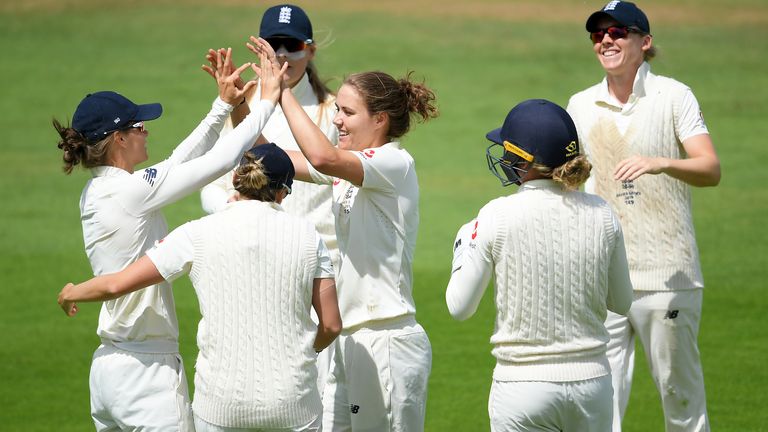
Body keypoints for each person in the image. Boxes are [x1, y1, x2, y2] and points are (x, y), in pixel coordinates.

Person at [53, 48, 285, 431]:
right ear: (118, 139)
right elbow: (223, 159)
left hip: (108, 372)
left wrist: (223, 106)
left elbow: (178, 161)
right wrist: (267, 102)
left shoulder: (102, 191)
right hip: (147, 375)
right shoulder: (130, 193)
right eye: (138, 126)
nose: (146, 131)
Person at [59, 143, 342, 432]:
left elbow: (117, 284)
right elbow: (330, 325)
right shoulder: (309, 236)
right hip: (294, 403)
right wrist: (306, 353)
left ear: (235, 180)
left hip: (219, 405)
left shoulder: (195, 233)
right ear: (282, 191)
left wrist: (72, 292)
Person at [251, 37, 438, 432]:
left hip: (387, 340)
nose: (337, 120)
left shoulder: (393, 162)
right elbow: (273, 160)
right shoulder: (351, 169)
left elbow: (321, 156)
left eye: (348, 113)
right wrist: (239, 106)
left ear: (380, 120)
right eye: (337, 109)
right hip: (351, 340)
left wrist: (283, 92)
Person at [566, 2, 721, 431]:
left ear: (644, 42)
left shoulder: (674, 96)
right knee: (601, 404)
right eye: (598, 35)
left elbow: (710, 168)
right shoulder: (580, 104)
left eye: (617, 32)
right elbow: (572, 180)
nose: (606, 41)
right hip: (604, 276)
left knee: (681, 399)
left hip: (668, 275)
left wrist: (660, 162)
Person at [446, 99, 634, 431]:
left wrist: (464, 243)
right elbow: (621, 302)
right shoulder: (602, 212)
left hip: (522, 387)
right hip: (593, 386)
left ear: (524, 160)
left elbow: (459, 307)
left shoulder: (496, 214)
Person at [200, 5, 341, 398]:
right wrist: (238, 209)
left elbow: (334, 176)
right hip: (254, 262)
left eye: (291, 45)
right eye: (271, 45)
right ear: (258, 50)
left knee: (320, 390)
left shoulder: (335, 112)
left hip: (320, 267)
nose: (282, 55)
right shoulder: (238, 107)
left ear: (310, 50)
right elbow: (209, 186)